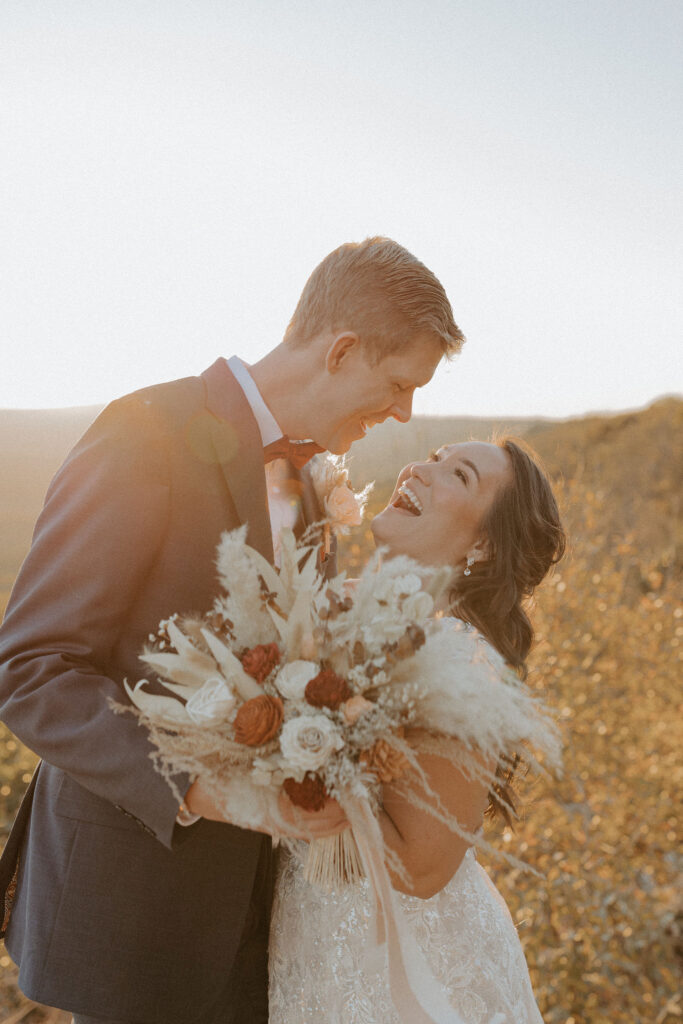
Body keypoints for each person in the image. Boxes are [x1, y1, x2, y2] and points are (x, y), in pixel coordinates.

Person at [0, 237, 463, 1024]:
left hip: (271, 917)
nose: (403, 413)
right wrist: (201, 786)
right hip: (139, 912)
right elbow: (33, 668)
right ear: (341, 350)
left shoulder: (315, 485)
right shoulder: (148, 430)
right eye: (396, 384)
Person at [268, 438, 566, 1023]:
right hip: (319, 950)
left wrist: (284, 768)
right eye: (431, 455)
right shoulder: (368, 623)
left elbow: (424, 867)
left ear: (483, 542)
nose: (419, 470)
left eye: (456, 472)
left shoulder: (457, 656)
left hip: (405, 976)